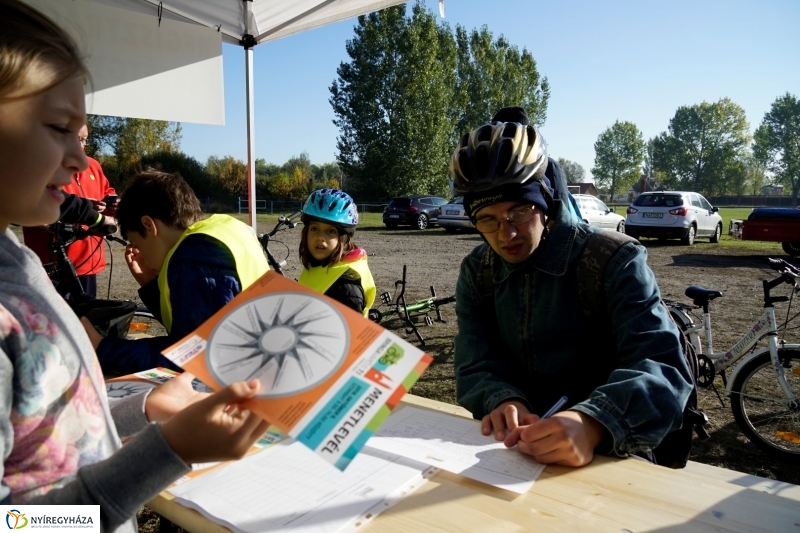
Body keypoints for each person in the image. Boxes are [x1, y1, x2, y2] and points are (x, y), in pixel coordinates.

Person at [0, 0, 270, 528]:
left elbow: (52, 423)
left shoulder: (16, 263)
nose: (81, 161)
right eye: (59, 126)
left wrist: (139, 411)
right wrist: (166, 451)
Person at [450, 112, 694, 468]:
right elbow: (474, 361)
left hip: (614, 457)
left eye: (519, 212)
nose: (507, 235)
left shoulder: (614, 260)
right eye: (487, 219)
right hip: (514, 458)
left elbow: (663, 367)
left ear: (546, 201)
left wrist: (594, 423)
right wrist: (502, 401)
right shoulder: (477, 271)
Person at [85, 170, 270, 375]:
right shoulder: (222, 232)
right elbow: (194, 324)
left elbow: (190, 358)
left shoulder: (191, 262)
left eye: (137, 243)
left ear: (149, 225)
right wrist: (151, 285)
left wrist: (102, 348)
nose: (142, 256)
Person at [21, 125, 117, 298]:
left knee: (84, 318)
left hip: (88, 262)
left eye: (84, 139)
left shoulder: (92, 165)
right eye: (76, 138)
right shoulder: (43, 165)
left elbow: (107, 190)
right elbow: (33, 206)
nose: (81, 144)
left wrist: (113, 201)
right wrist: (86, 211)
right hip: (54, 265)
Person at [297, 189, 376, 315]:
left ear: (344, 238)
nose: (320, 237)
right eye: (314, 228)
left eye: (331, 231)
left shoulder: (345, 288)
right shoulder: (318, 266)